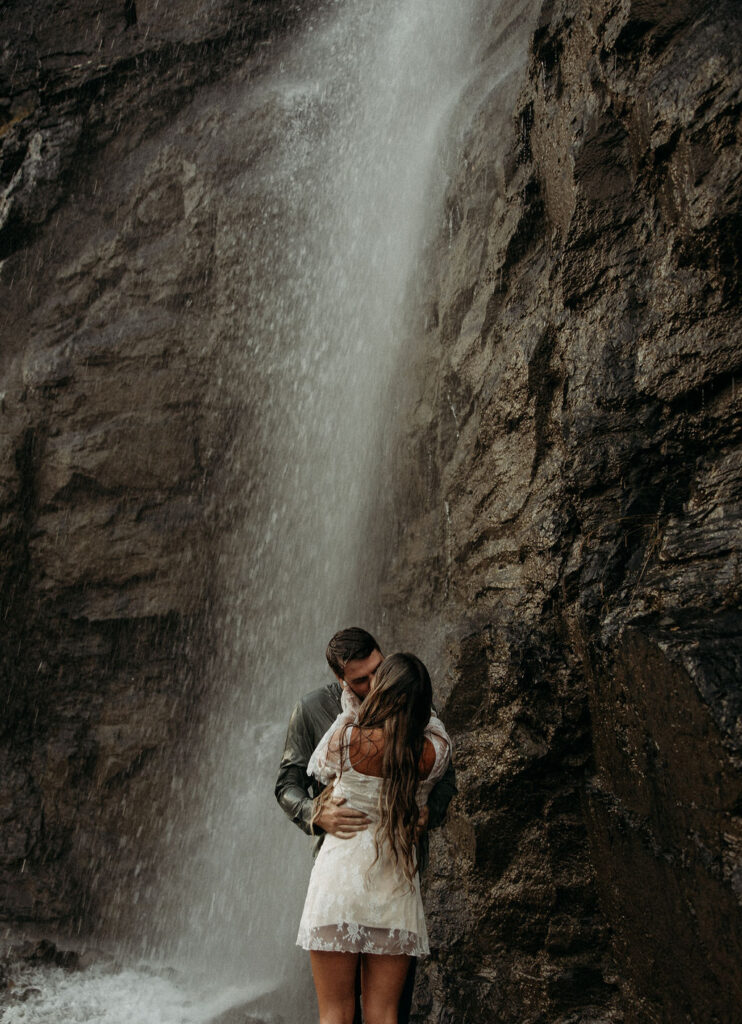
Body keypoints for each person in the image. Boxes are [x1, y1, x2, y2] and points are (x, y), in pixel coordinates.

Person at [275, 628, 457, 1023]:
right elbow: (287, 782)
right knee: (381, 1014)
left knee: (360, 1012)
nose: (376, 684)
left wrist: (429, 814)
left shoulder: (349, 731)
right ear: (341, 680)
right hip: (374, 874)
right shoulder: (311, 709)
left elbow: (448, 784)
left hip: (362, 880)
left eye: (380, 670)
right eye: (362, 679)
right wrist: (313, 813)